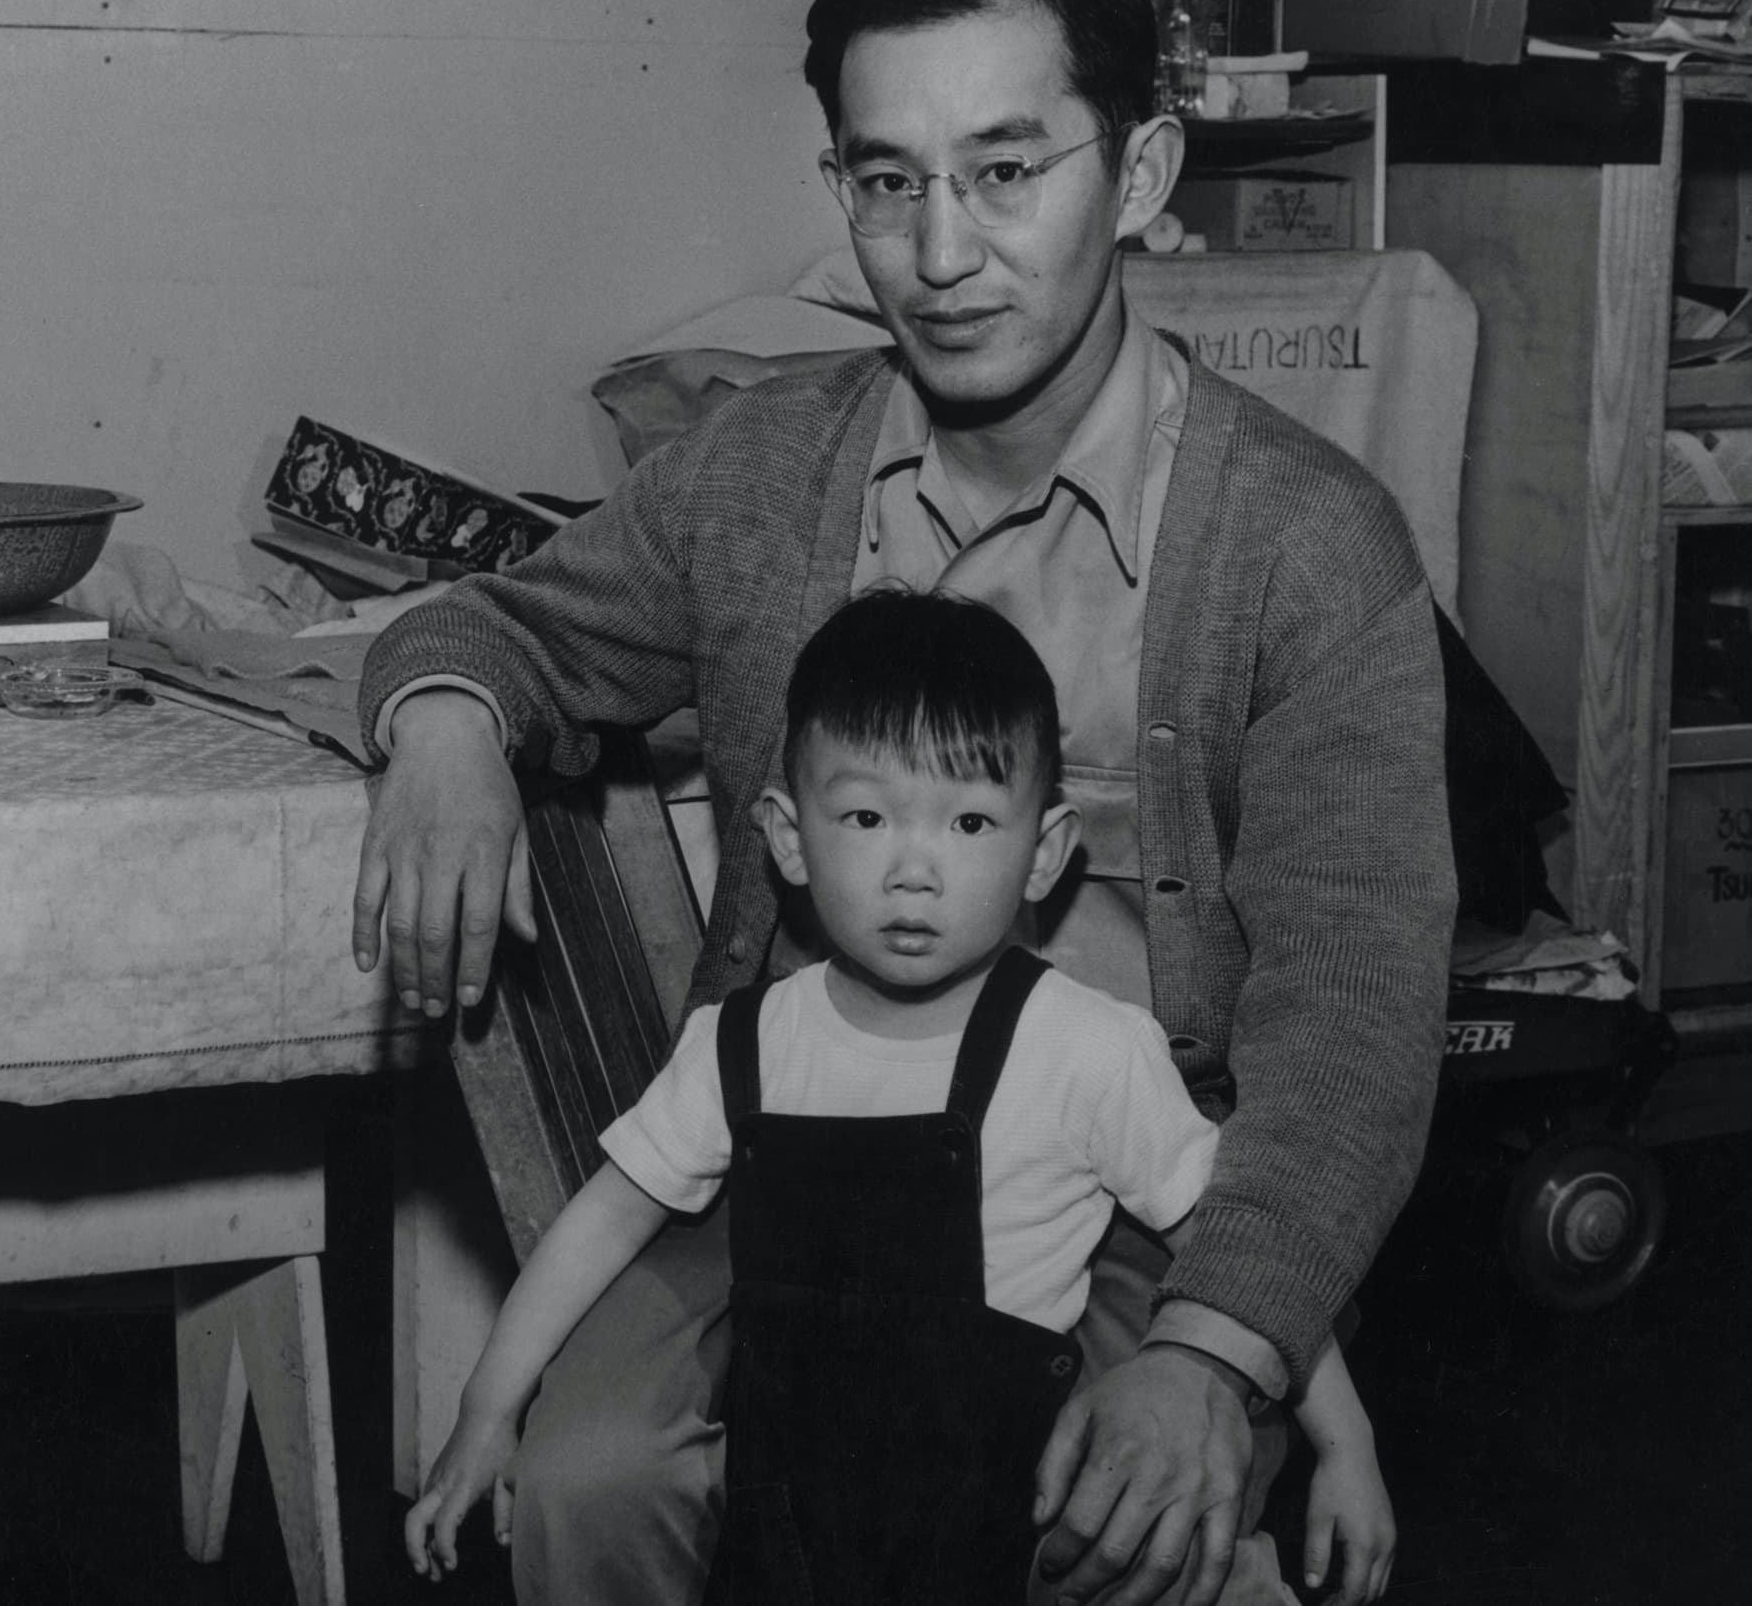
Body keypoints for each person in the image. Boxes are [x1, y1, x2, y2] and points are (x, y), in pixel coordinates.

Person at [353, 0, 1450, 1606]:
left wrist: (1214, 1351)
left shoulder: (1309, 543)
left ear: (1142, 170)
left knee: (1112, 1513)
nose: (943, 250)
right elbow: (496, 625)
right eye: (887, 181)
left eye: (1008, 171)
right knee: (587, 1477)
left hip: (1134, 1184)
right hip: (799, 1149)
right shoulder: (759, 469)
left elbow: (1356, 1014)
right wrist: (441, 730)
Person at [401, 590, 1396, 1605]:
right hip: (808, 1510)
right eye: (867, 816)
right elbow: (602, 1219)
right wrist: (490, 1406)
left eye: (968, 820)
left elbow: (1238, 1256)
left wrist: (1348, 1453)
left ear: (1044, 850)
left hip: (1002, 1504)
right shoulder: (743, 1045)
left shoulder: (1090, 1048)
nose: (914, 868)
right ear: (789, 836)